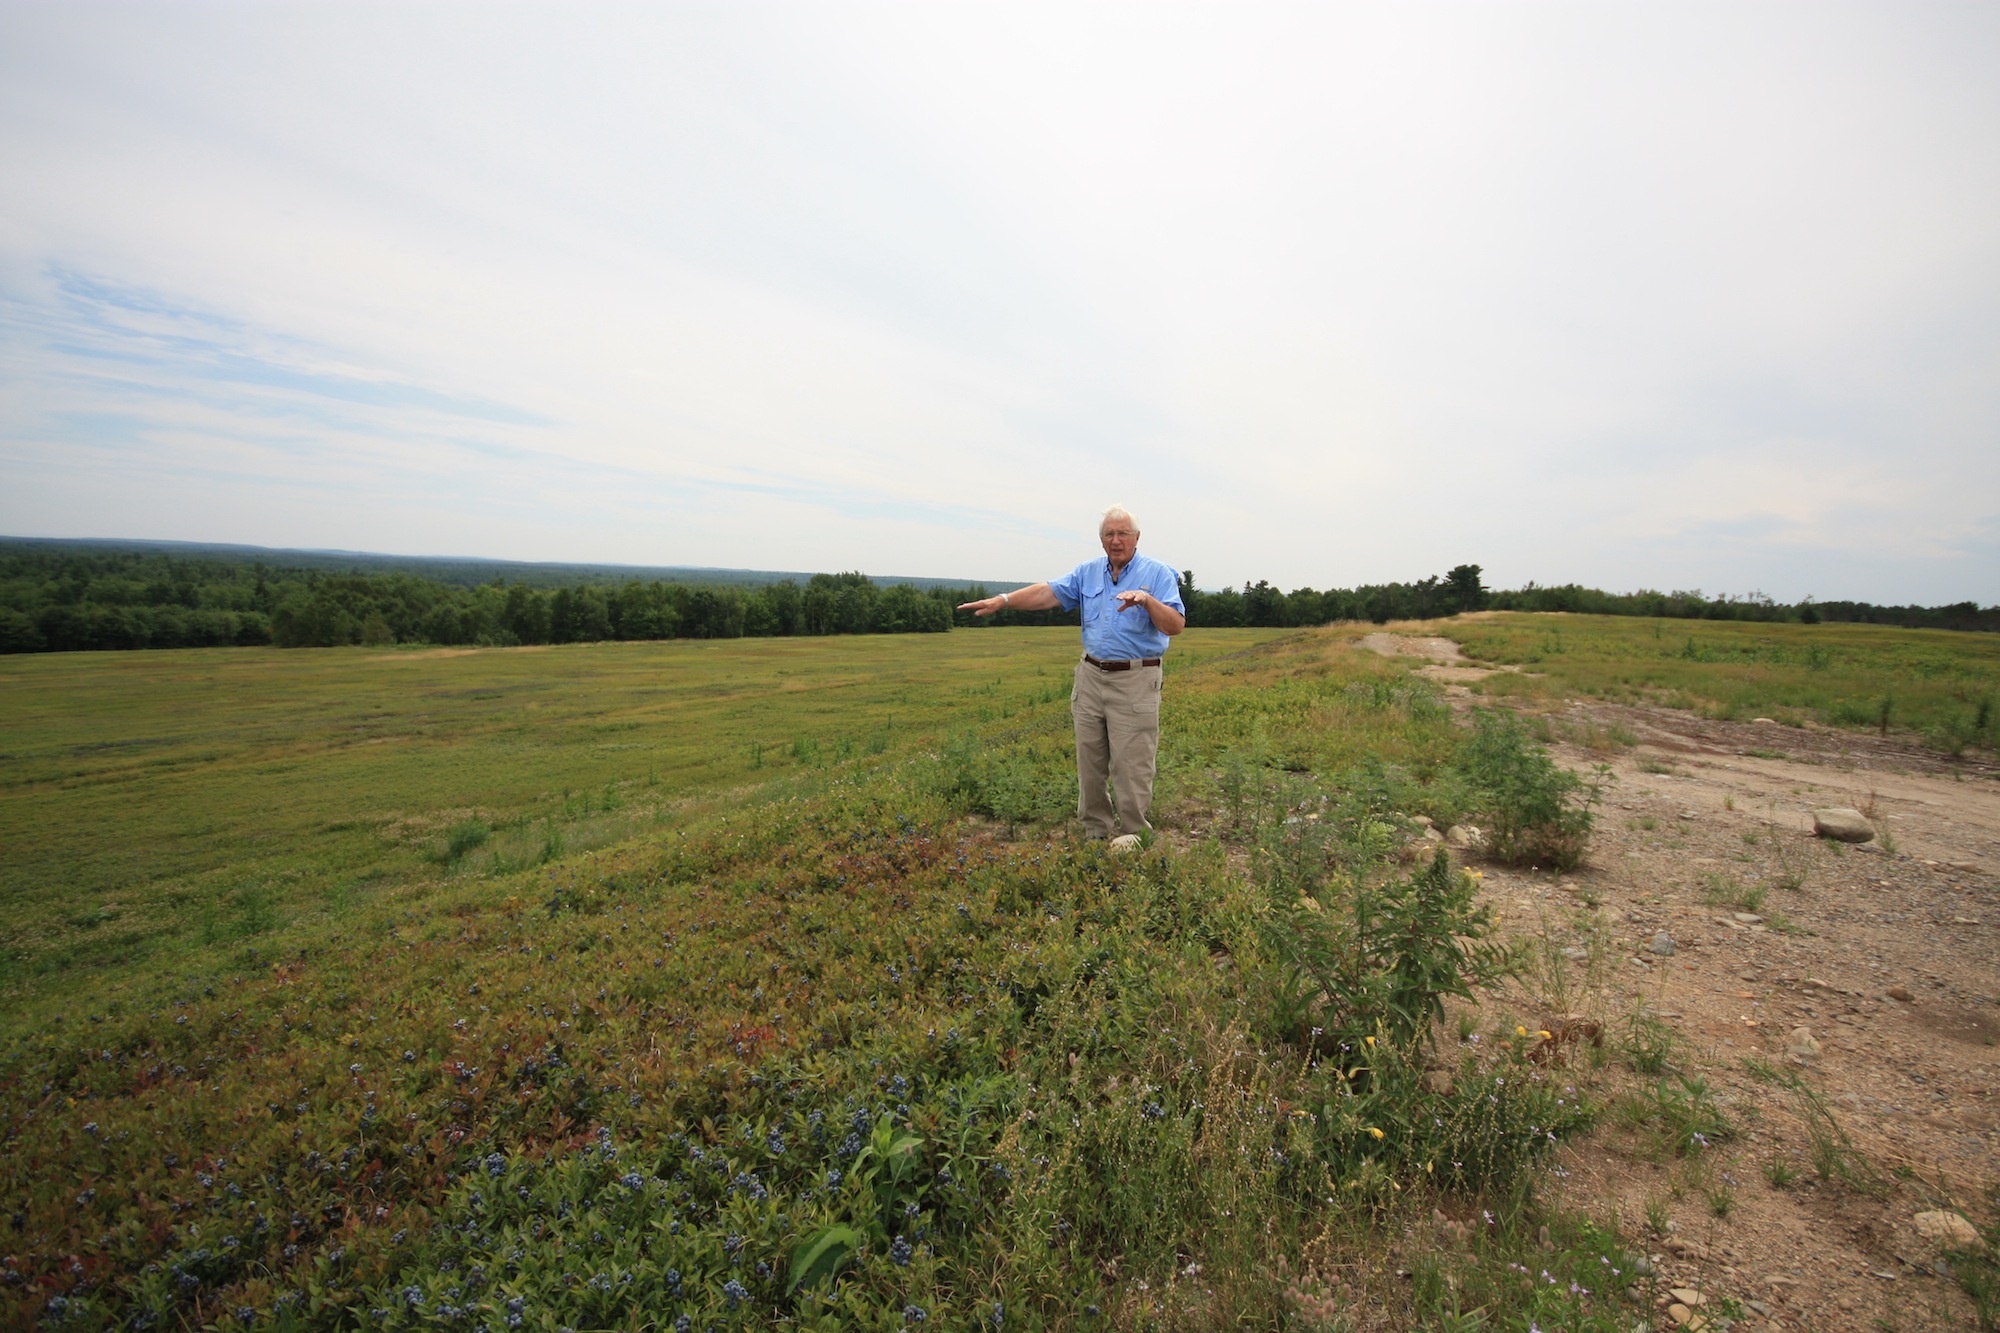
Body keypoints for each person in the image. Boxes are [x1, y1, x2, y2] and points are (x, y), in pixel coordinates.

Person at [958, 505, 1185, 846]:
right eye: (1109, 534)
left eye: (1123, 534)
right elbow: (1047, 593)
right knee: (1089, 760)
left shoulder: (1157, 573)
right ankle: (1095, 832)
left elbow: (1175, 625)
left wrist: (1147, 601)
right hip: (1090, 677)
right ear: (1101, 539)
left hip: (1135, 680)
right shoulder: (1088, 572)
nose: (1116, 540)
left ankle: (1134, 835)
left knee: (1131, 764)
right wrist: (1003, 600)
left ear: (1137, 538)